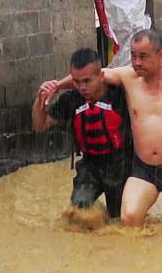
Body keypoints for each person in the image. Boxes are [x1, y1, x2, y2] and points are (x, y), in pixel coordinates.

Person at [41, 29, 162, 226]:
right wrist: (56, 86)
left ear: (161, 55)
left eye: (142, 57)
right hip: (144, 166)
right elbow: (91, 75)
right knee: (129, 218)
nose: (136, 62)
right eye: (133, 56)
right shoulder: (127, 77)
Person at [32, 48, 131, 219]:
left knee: (120, 220)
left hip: (121, 164)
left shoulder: (122, 95)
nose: (82, 87)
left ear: (101, 76)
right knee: (77, 214)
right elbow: (39, 125)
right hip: (90, 165)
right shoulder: (71, 99)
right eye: (77, 82)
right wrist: (40, 99)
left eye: (87, 81)